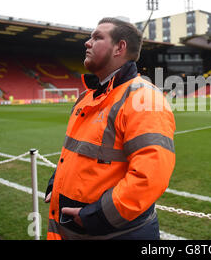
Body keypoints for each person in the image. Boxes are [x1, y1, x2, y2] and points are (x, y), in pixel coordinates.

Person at [44, 18, 176, 240]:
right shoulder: (86, 98)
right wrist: (56, 182)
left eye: (97, 37)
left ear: (119, 48)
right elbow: (77, 154)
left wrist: (96, 217)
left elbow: (150, 177)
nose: (87, 42)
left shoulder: (143, 98)